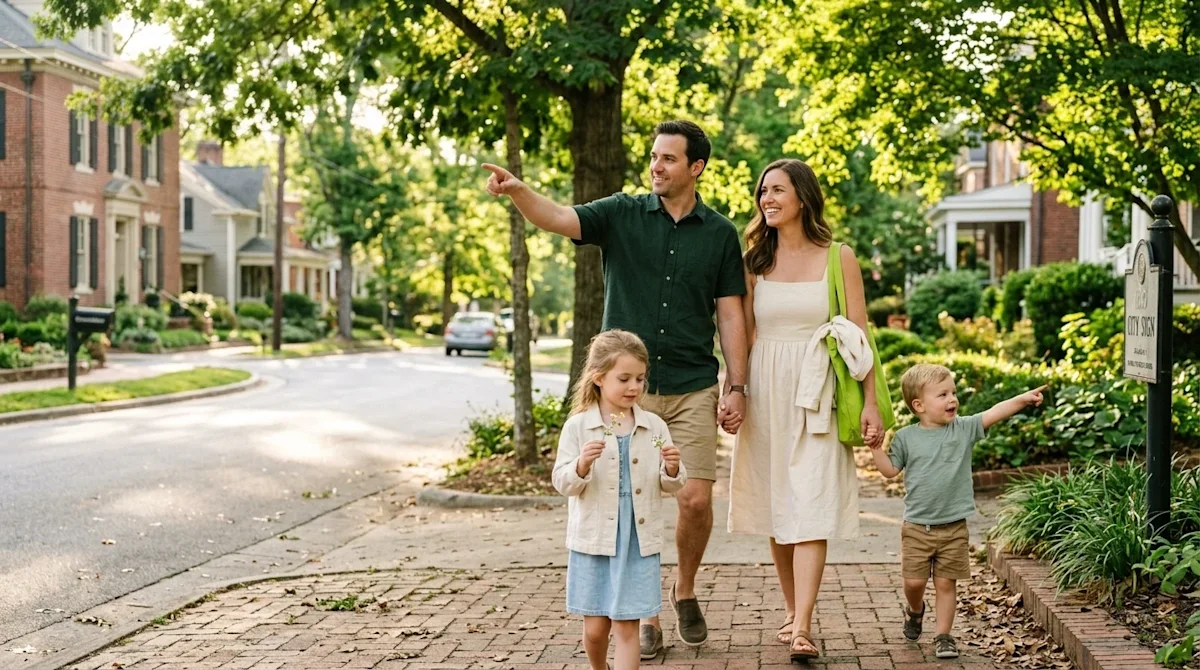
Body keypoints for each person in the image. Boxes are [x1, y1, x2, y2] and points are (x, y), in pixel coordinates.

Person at [483, 120, 748, 658]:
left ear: (696, 167)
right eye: (654, 157)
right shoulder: (622, 213)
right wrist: (517, 190)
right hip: (629, 391)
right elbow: (557, 218)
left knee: (695, 500)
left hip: (694, 384)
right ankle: (644, 612)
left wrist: (736, 385)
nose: (656, 166)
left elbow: (730, 314)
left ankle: (685, 589)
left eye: (669, 159)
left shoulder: (720, 233)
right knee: (633, 499)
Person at [726, 158, 885, 662]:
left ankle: (803, 625)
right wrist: (736, 390)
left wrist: (873, 404)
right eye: (762, 191)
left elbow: (860, 336)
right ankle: (795, 613)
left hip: (819, 390)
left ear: (802, 197)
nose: (766, 199)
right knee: (779, 508)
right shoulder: (754, 262)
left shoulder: (839, 257)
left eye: (776, 190)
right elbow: (744, 335)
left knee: (811, 504)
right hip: (768, 387)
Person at [871, 363, 1046, 659]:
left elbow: (993, 412)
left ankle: (943, 636)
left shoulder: (963, 429)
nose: (952, 399)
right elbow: (889, 471)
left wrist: (1022, 399)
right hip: (917, 527)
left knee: (945, 584)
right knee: (913, 582)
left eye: (952, 392)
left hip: (953, 527)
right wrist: (876, 448)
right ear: (919, 405)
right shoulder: (905, 438)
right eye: (942, 394)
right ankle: (915, 610)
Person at [552, 329, 686, 670]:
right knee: (596, 630)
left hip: (637, 542)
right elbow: (562, 482)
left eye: (640, 379)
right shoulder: (579, 427)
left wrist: (672, 468)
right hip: (594, 541)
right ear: (599, 378)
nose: (634, 387)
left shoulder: (653, 427)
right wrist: (581, 465)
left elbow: (671, 483)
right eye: (624, 378)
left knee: (627, 626)